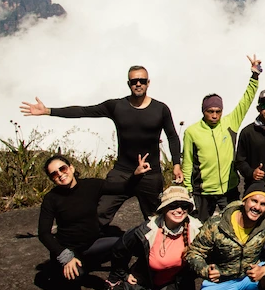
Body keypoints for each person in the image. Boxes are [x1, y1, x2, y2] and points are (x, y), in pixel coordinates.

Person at [21, 66, 183, 224]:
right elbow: (83, 111)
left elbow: (172, 137)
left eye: (141, 80)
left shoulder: (160, 109)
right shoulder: (116, 106)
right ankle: (90, 248)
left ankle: (156, 250)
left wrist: (176, 164)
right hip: (122, 172)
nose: (138, 84)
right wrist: (48, 111)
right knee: (100, 213)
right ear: (129, 84)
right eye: (134, 81)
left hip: (150, 173)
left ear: (148, 83)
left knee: (155, 220)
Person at [37, 152, 150, 286]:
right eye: (54, 174)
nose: (60, 174)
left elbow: (123, 188)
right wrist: (65, 257)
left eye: (62, 169)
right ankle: (62, 270)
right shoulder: (51, 199)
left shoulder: (91, 185)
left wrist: (136, 175)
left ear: (71, 168)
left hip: (92, 245)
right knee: (75, 282)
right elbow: (44, 233)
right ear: (52, 179)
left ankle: (120, 274)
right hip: (69, 250)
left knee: (130, 242)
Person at [104, 185, 202, 290]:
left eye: (184, 206)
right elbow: (120, 248)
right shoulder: (147, 230)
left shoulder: (196, 230)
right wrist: (122, 274)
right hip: (142, 279)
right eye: (173, 205)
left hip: (170, 282)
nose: (179, 210)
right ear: (163, 208)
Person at [182, 56, 262, 221]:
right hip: (203, 192)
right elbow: (188, 163)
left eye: (218, 111)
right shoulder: (192, 132)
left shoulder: (229, 123)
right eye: (210, 111)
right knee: (200, 229)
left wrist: (254, 76)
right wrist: (187, 190)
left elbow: (245, 101)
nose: (214, 115)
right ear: (203, 111)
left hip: (229, 189)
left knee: (234, 225)